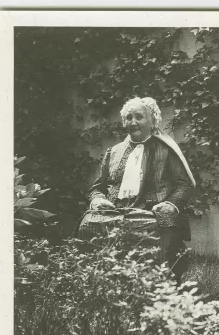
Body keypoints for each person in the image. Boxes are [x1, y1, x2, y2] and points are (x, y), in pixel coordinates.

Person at [78, 97, 195, 281]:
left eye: (139, 117)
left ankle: (152, 286)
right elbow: (97, 187)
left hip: (149, 213)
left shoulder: (166, 150)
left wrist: (171, 205)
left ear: (152, 120)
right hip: (114, 212)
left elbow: (184, 185)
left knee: (151, 229)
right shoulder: (114, 151)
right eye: (128, 117)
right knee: (88, 223)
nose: (133, 122)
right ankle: (101, 281)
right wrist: (98, 199)